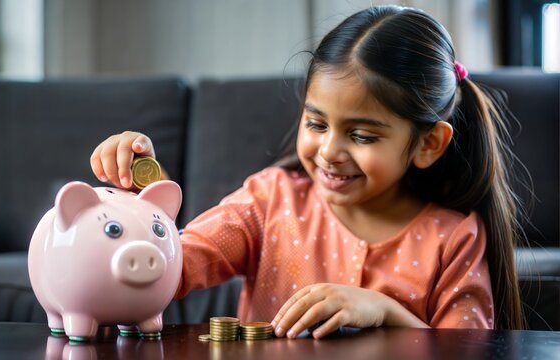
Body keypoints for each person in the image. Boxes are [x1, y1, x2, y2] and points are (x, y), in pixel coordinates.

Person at [90, 5, 529, 338]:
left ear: (428, 144)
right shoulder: (267, 201)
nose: (329, 151)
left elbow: (467, 347)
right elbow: (175, 267)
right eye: (316, 124)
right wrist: (142, 204)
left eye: (362, 135)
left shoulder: (453, 238)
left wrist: (385, 311)